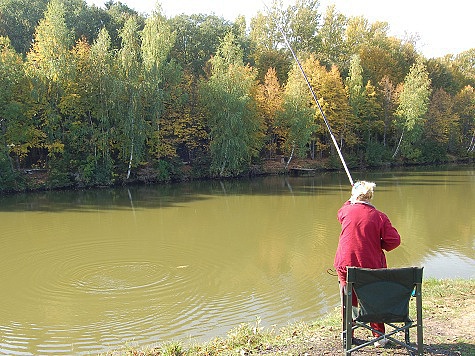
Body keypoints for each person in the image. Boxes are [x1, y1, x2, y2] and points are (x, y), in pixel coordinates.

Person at [334, 180, 401, 347]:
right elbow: (394, 241)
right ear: (370, 197)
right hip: (371, 267)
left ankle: (347, 336)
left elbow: (341, 213)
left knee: (349, 300)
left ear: (354, 196)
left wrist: (351, 199)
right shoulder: (379, 217)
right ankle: (379, 337)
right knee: (374, 298)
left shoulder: (346, 211)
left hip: (345, 265)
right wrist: (379, 245)